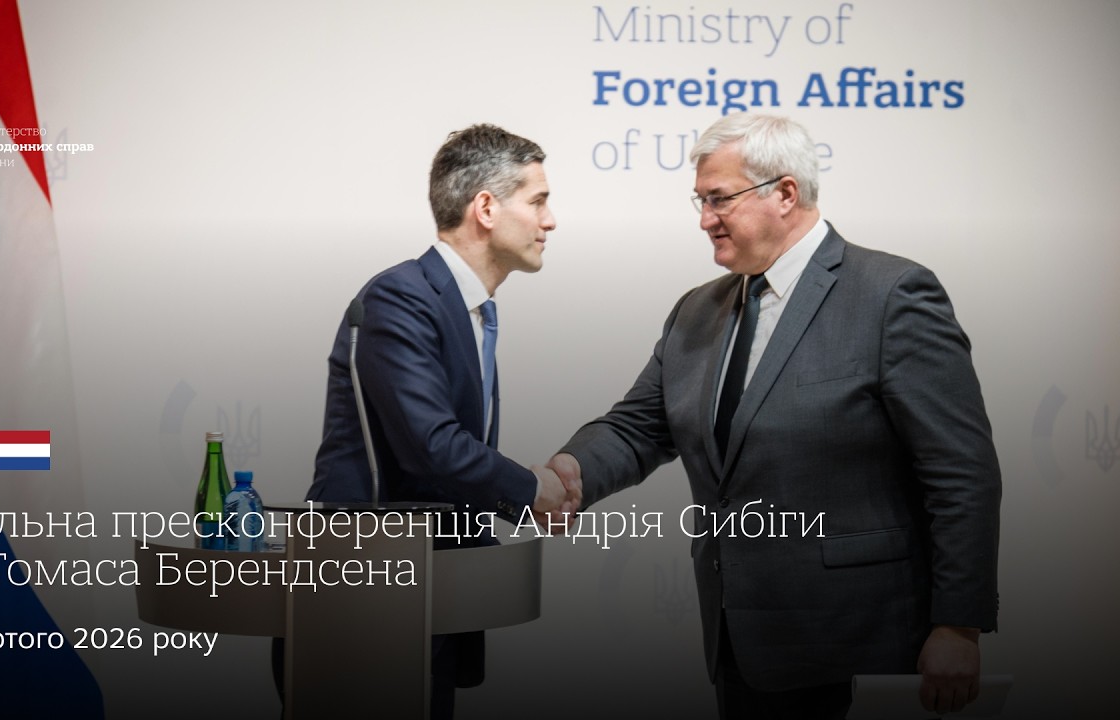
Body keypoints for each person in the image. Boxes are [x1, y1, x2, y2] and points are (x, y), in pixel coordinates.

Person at [547, 113, 1000, 719]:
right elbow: (638, 428)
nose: (705, 219)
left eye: (719, 199)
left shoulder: (892, 295)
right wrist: (569, 472)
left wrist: (958, 626)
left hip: (862, 643)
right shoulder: (695, 311)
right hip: (740, 641)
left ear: (785, 193)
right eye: (701, 201)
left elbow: (961, 472)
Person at [296, 123, 575, 718]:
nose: (550, 221)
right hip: (364, 589)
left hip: (432, 589)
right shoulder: (401, 298)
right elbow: (433, 446)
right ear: (486, 208)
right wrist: (532, 490)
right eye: (538, 201)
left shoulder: (469, 309)